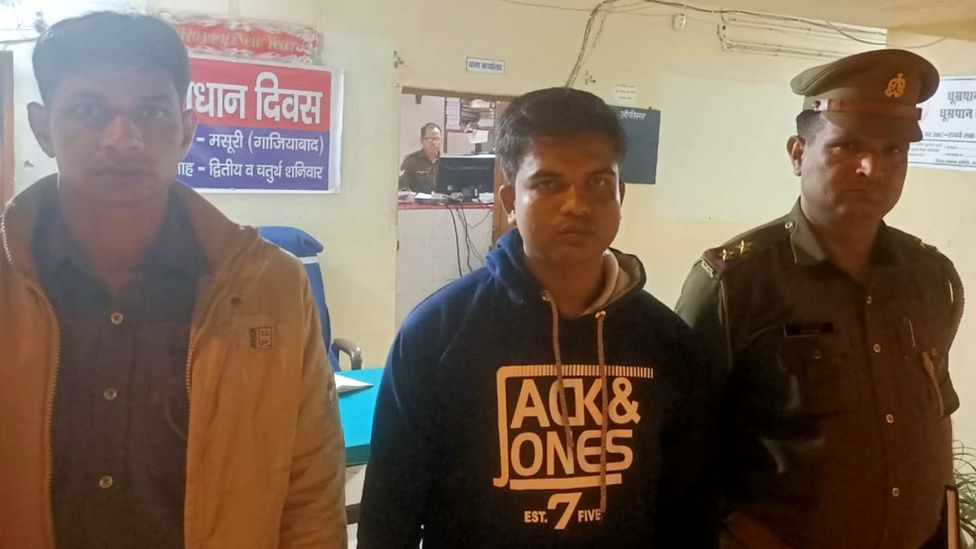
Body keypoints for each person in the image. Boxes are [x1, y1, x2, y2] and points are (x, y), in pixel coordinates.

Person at [0, 12, 346, 548]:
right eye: (90, 110)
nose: (122, 139)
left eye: (151, 111)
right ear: (43, 127)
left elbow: (310, 494)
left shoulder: (271, 288)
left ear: (187, 129)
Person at [359, 87, 718, 548]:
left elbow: (690, 514)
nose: (577, 204)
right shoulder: (437, 334)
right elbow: (389, 515)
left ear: (621, 194)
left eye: (598, 183)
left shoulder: (669, 344)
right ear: (510, 200)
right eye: (548, 183)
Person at [676, 49, 964, 548]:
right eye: (847, 146)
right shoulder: (734, 284)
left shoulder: (931, 278)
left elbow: (936, 416)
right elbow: (682, 443)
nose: (872, 167)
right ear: (797, 153)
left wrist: (948, 528)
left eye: (893, 151)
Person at [398, 122, 442, 193]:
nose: (434, 143)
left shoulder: (446, 162)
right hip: (418, 199)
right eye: (430, 139)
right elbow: (402, 188)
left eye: (437, 139)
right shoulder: (411, 161)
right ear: (422, 140)